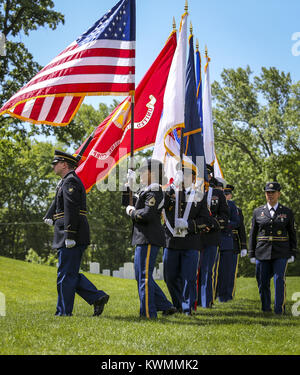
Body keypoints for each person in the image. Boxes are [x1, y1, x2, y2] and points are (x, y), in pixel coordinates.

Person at [44, 150, 109, 316]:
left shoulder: (70, 181)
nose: (53, 166)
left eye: (56, 163)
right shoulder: (67, 181)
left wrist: (70, 234)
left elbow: (71, 209)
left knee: (66, 275)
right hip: (66, 234)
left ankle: (64, 312)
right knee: (68, 273)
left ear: (64, 164)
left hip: (71, 235)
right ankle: (97, 297)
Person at [123, 158, 176, 319]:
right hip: (143, 238)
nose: (140, 174)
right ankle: (165, 306)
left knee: (144, 277)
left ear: (151, 173)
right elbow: (126, 203)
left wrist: (132, 212)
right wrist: (127, 186)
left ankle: (148, 313)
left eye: (142, 171)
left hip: (148, 238)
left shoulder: (154, 192)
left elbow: (146, 215)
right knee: (142, 276)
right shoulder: (147, 191)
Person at [163, 163, 219, 315]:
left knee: (189, 277)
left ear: (194, 178)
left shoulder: (199, 197)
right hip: (171, 242)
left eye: (187, 175)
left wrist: (189, 224)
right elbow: (159, 206)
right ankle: (177, 305)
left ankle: (187, 308)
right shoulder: (169, 194)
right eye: (182, 175)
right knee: (170, 277)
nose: (184, 178)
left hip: (190, 242)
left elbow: (206, 221)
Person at [249, 182, 297, 314]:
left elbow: (292, 233)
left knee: (279, 280)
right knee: (263, 282)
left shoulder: (286, 212)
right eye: (267, 192)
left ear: (279, 194)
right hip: (262, 252)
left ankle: (278, 309)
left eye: (273, 192)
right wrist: (251, 253)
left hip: (281, 251)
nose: (270, 195)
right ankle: (265, 308)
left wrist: (293, 252)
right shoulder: (258, 212)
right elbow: (253, 234)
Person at [197, 165, 229, 308]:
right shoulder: (192, 192)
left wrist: (212, 225)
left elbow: (224, 215)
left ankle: (206, 301)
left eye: (206, 175)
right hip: (195, 236)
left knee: (207, 270)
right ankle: (194, 300)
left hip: (211, 236)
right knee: (194, 270)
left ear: (210, 176)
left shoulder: (218, 193)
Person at [215, 178, 240, 302]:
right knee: (211, 271)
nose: (223, 194)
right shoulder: (209, 201)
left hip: (225, 240)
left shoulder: (231, 205)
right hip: (211, 240)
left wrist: (225, 224)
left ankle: (224, 296)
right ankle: (212, 295)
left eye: (225, 193)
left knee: (225, 271)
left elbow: (237, 222)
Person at [224, 185, 248, 299]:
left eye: (227, 194)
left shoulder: (237, 210)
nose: (226, 196)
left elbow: (241, 229)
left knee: (231, 271)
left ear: (231, 195)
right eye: (224, 194)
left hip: (233, 241)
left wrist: (243, 246)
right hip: (220, 239)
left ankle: (229, 294)